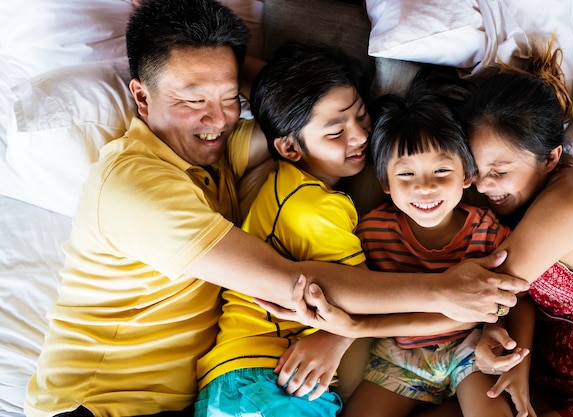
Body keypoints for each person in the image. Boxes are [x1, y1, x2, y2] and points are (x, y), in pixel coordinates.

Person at [24, 1, 530, 416]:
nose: (215, 119)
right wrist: (444, 290)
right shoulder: (134, 186)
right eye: (190, 99)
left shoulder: (217, 150)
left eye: (227, 96)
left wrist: (207, 52)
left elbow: (300, 113)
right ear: (140, 96)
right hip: (98, 407)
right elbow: (293, 284)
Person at [194, 42, 370, 417]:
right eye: (337, 131)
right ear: (289, 148)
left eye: (362, 115)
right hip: (274, 375)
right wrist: (336, 339)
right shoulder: (313, 206)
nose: (360, 136)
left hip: (246, 375)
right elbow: (366, 293)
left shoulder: (288, 182)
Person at [462, 39, 573, 417]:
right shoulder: (509, 203)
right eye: (476, 170)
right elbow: (516, 300)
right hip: (543, 374)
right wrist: (517, 361)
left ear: (551, 157)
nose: (483, 187)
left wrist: (348, 327)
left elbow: (481, 294)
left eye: (500, 172)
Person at [340, 83, 514, 417]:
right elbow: (360, 294)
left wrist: (497, 330)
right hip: (400, 355)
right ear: (386, 184)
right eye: (406, 173)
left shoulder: (488, 230)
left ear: (467, 175)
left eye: (441, 170)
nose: (425, 186)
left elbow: (517, 293)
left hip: (470, 351)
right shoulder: (371, 232)